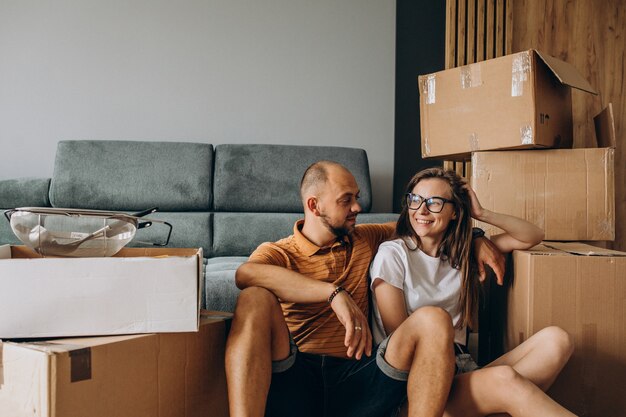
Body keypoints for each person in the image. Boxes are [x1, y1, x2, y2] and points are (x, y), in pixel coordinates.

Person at [225, 161, 506, 417]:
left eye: (357, 197)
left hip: (360, 379)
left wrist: (476, 238)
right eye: (346, 200)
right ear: (314, 206)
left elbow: (425, 220)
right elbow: (245, 274)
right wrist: (333, 294)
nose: (357, 207)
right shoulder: (279, 252)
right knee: (254, 297)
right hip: (297, 377)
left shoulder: (366, 237)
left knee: (434, 318)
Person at [371, 167, 576, 417]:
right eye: (415, 200)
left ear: (455, 211)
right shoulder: (393, 254)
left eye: (434, 203)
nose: (421, 210)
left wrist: (481, 214)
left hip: (462, 370)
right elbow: (398, 338)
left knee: (557, 340)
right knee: (504, 380)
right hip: (417, 387)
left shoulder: (464, 253)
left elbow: (532, 235)